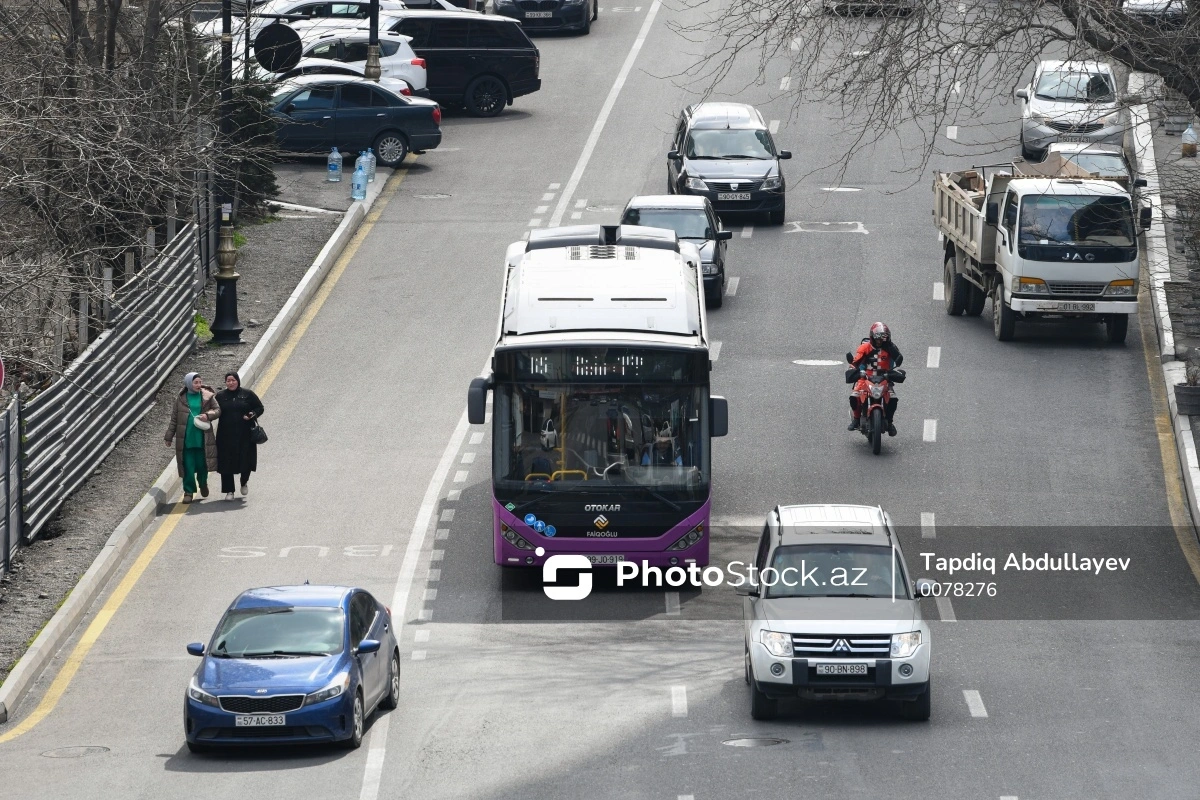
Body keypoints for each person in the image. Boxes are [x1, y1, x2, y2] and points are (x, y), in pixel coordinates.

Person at [165, 372, 220, 503]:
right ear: (189, 383)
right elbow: (174, 419)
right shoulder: (181, 398)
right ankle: (188, 492)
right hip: (186, 439)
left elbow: (217, 410)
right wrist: (169, 436)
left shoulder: (207, 395)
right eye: (195, 382)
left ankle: (203, 483)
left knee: (202, 465)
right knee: (187, 466)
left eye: (200, 382)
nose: (198, 385)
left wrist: (208, 415)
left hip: (202, 438)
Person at [214, 371, 265, 501]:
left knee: (246, 460)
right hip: (225, 436)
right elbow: (213, 409)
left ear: (238, 381)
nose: (231, 383)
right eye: (228, 381)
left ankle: (244, 482)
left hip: (245, 435)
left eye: (233, 380)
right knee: (226, 463)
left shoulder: (247, 394)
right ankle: (229, 491)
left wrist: (252, 414)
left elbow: (260, 407)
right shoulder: (220, 396)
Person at [847, 322, 903, 436]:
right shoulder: (864, 348)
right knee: (854, 397)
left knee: (893, 399)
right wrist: (852, 370)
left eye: (883, 339)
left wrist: (892, 349)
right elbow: (855, 362)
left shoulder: (890, 348)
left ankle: (890, 422)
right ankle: (856, 419)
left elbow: (899, 360)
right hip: (865, 377)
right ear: (872, 337)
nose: (880, 341)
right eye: (878, 339)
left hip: (885, 377)